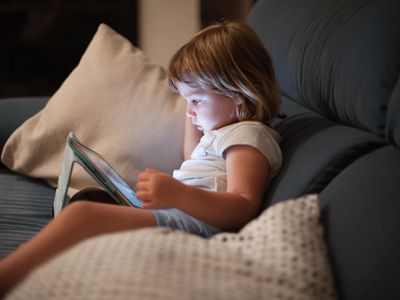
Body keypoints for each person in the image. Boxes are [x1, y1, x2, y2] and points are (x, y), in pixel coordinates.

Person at [0, 20, 282, 297]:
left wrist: (179, 195)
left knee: (83, 215)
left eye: (196, 100)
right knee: (90, 200)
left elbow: (244, 205)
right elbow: (189, 156)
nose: (190, 111)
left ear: (238, 93)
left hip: (191, 229)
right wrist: (191, 110)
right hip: (177, 217)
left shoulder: (248, 136)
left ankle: (13, 272)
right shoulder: (223, 132)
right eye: (186, 101)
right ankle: (40, 260)